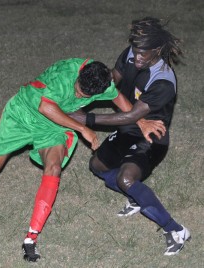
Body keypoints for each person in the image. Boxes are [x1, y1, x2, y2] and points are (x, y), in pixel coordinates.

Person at [0, 57, 164, 262]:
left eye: (82, 95)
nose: (76, 94)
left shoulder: (102, 82)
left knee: (54, 167)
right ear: (80, 75)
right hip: (23, 113)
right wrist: (83, 128)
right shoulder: (65, 74)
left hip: (53, 126)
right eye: (77, 89)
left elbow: (118, 98)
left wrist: (142, 121)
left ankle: (31, 238)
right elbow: (46, 107)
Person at [72, 17, 190, 256]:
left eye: (142, 54)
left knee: (126, 179)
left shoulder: (163, 82)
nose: (136, 58)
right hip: (128, 129)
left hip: (152, 137)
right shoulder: (131, 54)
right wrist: (88, 92)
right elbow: (114, 78)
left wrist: (86, 119)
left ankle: (175, 229)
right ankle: (136, 197)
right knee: (96, 165)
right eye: (135, 52)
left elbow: (131, 116)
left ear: (157, 50)